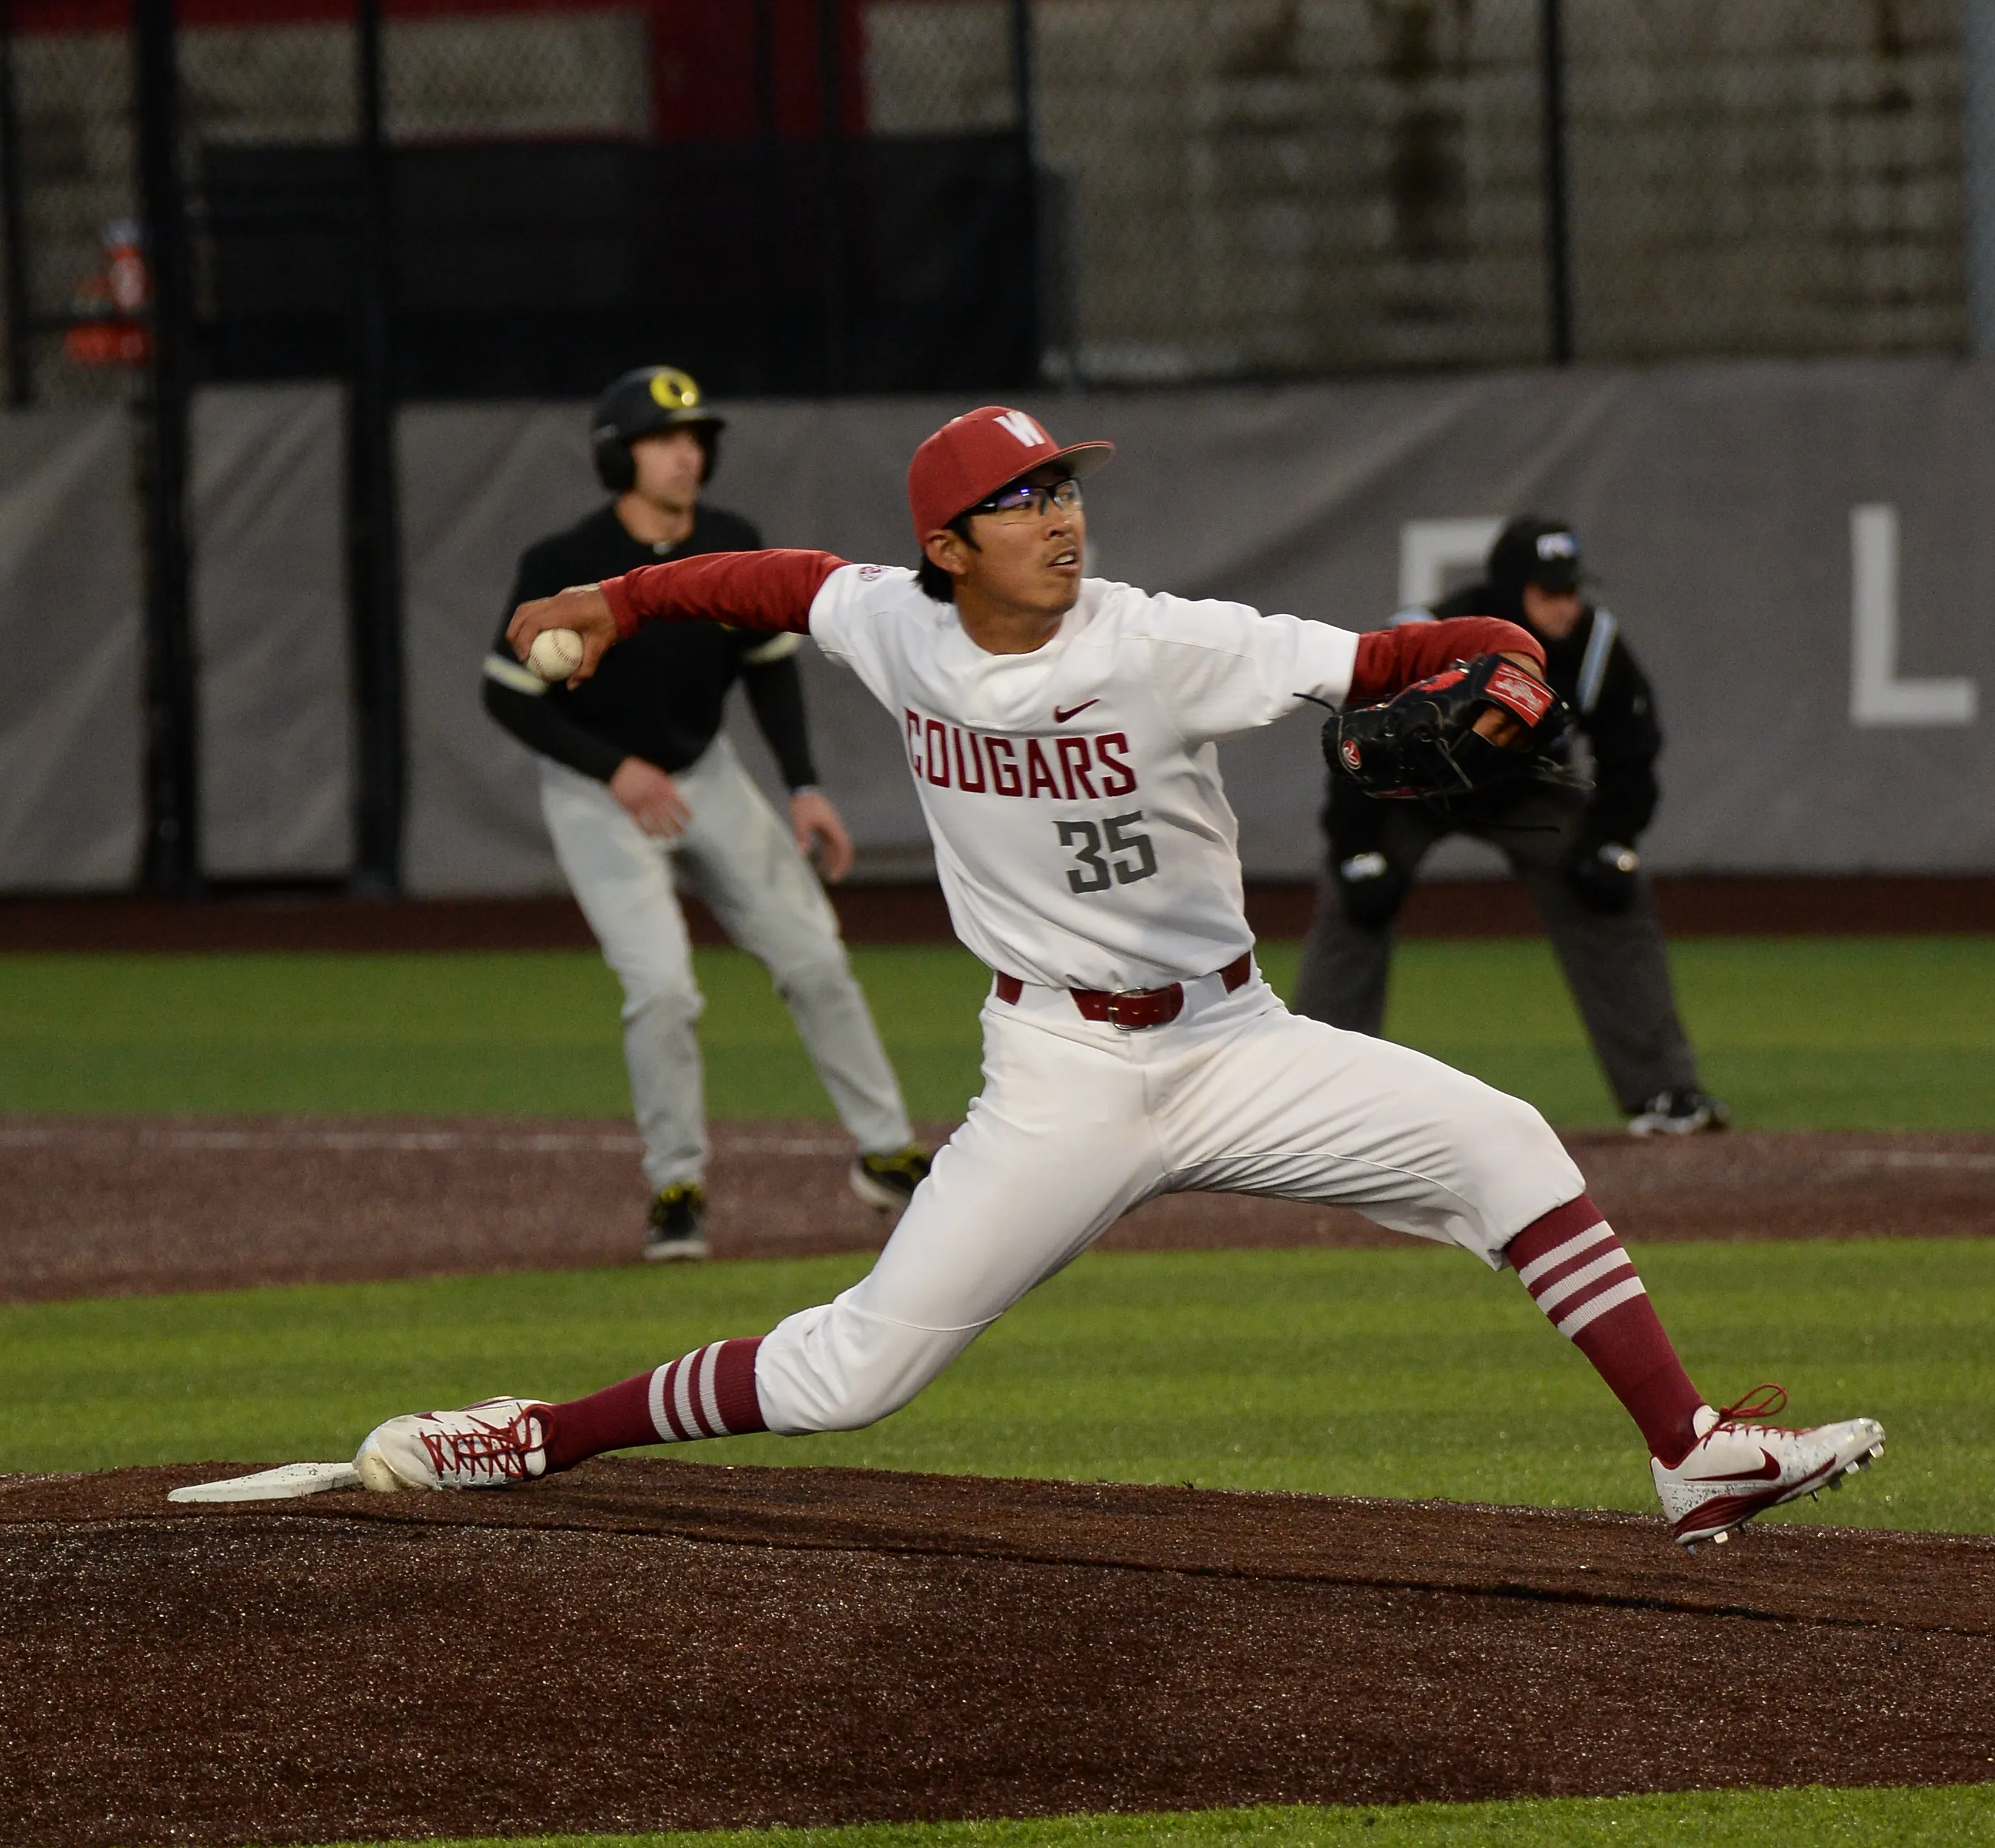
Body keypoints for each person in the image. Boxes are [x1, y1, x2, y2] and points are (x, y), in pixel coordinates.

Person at [361, 401, 1883, 1543]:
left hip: (1234, 1043)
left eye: (1062, 487)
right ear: (948, 547)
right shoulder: (895, 622)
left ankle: (1688, 1450)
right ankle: (536, 1435)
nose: (1059, 517)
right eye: (1019, 500)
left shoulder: (1163, 643)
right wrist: (618, 600)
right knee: (851, 1377)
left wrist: (1508, 652)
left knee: (1504, 1142)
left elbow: (1397, 654)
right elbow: (773, 581)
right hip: (1058, 1075)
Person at [483, 364, 927, 1259]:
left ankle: (886, 1155)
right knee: (662, 988)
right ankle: (675, 1184)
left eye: (695, 438)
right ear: (618, 457)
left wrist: (804, 784)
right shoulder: (563, 563)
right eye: (663, 439)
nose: (687, 454)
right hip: (598, 795)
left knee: (814, 956)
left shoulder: (729, 540)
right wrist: (615, 770)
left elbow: (768, 670)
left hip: (707, 775)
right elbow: (508, 697)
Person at [1295, 518, 1727, 1135]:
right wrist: (1357, 847)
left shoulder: (1594, 642)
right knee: (1353, 903)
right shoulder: (1430, 634)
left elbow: (1630, 749)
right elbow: (1356, 744)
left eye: (1573, 590)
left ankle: (1666, 1093)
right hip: (1411, 792)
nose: (1567, 606)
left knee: (1609, 892)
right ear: (1505, 593)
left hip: (1526, 785)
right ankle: (1311, 1102)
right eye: (1550, 592)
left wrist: (1612, 837)